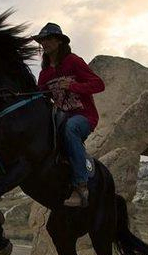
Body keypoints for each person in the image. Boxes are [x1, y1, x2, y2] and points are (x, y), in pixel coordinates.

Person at [31, 23, 105, 207]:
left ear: (58, 41)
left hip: (84, 117)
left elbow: (98, 84)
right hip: (60, 117)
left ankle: (81, 185)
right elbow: (41, 95)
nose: (44, 44)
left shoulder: (73, 61)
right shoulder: (45, 73)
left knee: (71, 128)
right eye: (42, 41)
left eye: (48, 39)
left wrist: (72, 86)